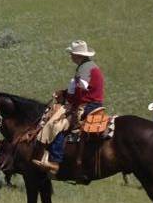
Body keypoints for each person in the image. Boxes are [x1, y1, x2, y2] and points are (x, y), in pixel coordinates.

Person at [33, 40, 104, 174]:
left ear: (79, 55)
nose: (70, 56)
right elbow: (83, 90)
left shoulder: (85, 69)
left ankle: (55, 161)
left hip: (87, 105)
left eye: (72, 54)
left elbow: (80, 94)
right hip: (92, 102)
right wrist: (64, 93)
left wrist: (67, 97)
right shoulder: (88, 66)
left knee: (58, 125)